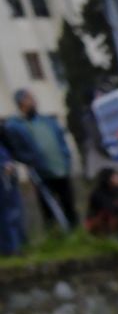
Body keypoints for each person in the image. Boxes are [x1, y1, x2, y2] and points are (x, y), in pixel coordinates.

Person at [6, 88, 75, 227]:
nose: (34, 101)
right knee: (48, 205)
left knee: (68, 202)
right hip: (41, 171)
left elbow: (61, 140)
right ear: (22, 103)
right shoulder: (15, 126)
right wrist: (30, 160)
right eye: (29, 99)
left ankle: (75, 229)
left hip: (60, 166)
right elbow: (15, 149)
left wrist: (67, 157)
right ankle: (55, 233)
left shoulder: (48, 121)